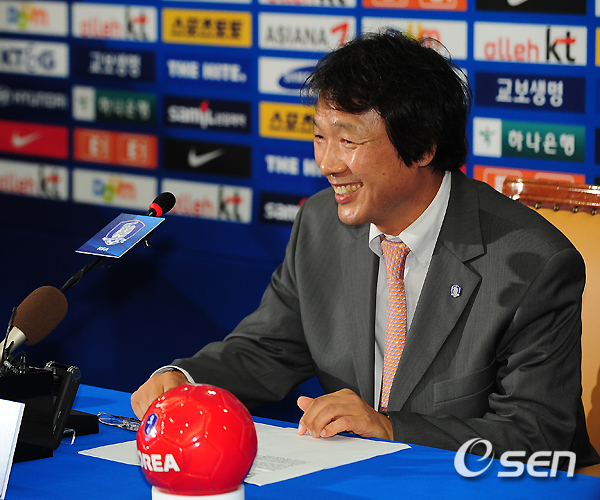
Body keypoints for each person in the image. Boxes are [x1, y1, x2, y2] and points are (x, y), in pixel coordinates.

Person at [132, 30, 598, 467]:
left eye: (348, 140)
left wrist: (391, 428)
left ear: (423, 148)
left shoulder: (532, 264)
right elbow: (267, 350)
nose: (326, 162)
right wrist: (185, 381)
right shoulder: (321, 225)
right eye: (320, 136)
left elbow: (537, 434)